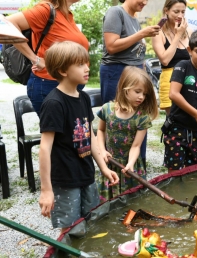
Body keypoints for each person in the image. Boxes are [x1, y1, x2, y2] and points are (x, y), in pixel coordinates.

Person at [38, 41, 119, 232]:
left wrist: (104, 168)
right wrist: (46, 190)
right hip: (65, 179)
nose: (87, 67)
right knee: (71, 229)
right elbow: (44, 148)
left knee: (92, 222)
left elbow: (89, 136)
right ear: (63, 71)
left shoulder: (83, 98)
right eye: (80, 64)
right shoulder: (54, 104)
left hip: (86, 173)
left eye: (86, 62)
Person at [100, 0, 160, 168]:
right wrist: (142, 34)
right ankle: (112, 169)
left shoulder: (134, 19)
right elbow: (111, 46)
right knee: (116, 123)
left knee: (137, 122)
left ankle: (136, 168)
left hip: (135, 75)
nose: (145, 2)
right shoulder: (115, 12)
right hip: (117, 73)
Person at [6, 0, 89, 116]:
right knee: (58, 132)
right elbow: (7, 23)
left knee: (73, 130)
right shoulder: (46, 10)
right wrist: (35, 59)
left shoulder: (66, 14)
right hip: (49, 84)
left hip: (69, 84)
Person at [96, 66, 158, 201]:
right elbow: (100, 131)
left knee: (132, 202)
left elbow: (136, 146)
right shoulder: (107, 109)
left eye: (145, 94)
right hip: (110, 162)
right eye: (138, 91)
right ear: (125, 88)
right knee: (108, 201)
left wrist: (130, 164)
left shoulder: (142, 117)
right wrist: (102, 150)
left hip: (131, 165)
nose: (141, 97)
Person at [162, 28, 197, 173]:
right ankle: (174, 195)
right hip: (177, 129)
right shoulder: (183, 66)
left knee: (194, 173)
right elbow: (173, 94)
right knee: (174, 173)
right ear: (190, 50)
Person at [152, 0, 193, 116]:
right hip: (170, 80)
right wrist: (178, 35)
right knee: (174, 122)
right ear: (166, 10)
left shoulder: (189, 31)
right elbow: (165, 60)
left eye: (183, 12)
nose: (180, 15)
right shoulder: (158, 32)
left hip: (189, 79)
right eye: (176, 11)